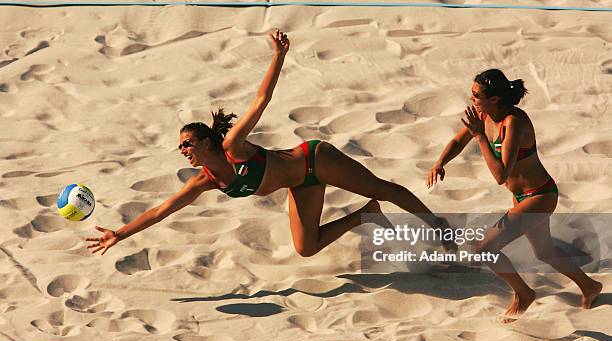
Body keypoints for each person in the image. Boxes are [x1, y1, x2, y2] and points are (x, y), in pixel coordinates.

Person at [87, 30, 451, 259]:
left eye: (187, 143)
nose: (182, 150)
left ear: (206, 142)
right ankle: (364, 215)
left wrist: (278, 56)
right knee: (306, 249)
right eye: (180, 146)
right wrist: (119, 233)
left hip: (314, 161)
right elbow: (161, 210)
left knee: (386, 189)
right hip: (299, 184)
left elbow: (261, 99)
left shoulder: (233, 145)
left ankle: (438, 228)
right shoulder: (204, 181)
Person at [427, 69, 602, 320]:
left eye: (476, 95)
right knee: (544, 251)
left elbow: (500, 175)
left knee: (485, 248)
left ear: (495, 99)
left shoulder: (514, 122)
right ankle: (590, 286)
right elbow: (457, 141)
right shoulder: (483, 114)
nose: (471, 98)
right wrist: (439, 163)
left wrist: (479, 135)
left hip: (539, 195)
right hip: (521, 197)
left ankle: (523, 294)